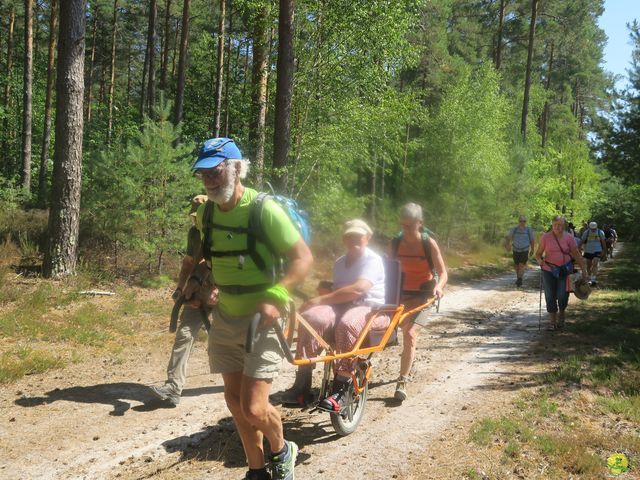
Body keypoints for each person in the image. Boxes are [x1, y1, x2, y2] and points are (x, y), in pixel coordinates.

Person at [187, 137, 313, 480]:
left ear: (236, 168)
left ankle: (282, 449)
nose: (209, 180)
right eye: (203, 174)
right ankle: (256, 471)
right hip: (226, 316)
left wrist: (276, 295)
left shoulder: (264, 210)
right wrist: (201, 285)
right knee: (234, 402)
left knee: (254, 407)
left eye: (215, 172)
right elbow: (208, 257)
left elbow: (303, 258)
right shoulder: (205, 213)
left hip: (263, 318)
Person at [282, 219, 388, 412]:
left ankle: (342, 388)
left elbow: (358, 289)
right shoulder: (340, 262)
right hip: (342, 305)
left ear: (368, 237)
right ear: (344, 238)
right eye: (349, 236)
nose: (353, 240)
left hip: (370, 307)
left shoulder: (373, 260)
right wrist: (323, 296)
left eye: (358, 236)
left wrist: (320, 299)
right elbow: (340, 291)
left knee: (348, 323)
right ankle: (302, 385)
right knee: (312, 318)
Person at [150, 194, 215, 406]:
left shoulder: (220, 234)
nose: (196, 220)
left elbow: (212, 264)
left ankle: (248, 381)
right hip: (198, 289)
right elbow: (189, 262)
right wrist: (180, 288)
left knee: (232, 339)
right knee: (184, 335)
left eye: (200, 216)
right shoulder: (194, 233)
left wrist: (208, 291)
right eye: (194, 216)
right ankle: (173, 387)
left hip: (221, 290)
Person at [388, 203, 447, 401]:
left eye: (410, 226)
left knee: (410, 334)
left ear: (420, 224)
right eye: (403, 225)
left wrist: (439, 287)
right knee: (379, 332)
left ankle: (402, 381)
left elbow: (443, 272)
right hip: (400, 296)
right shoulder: (395, 243)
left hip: (423, 296)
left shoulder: (428, 243)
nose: (406, 230)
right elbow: (389, 272)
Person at [535, 215, 588, 330]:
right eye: (555, 225)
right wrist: (540, 261)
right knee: (550, 296)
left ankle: (562, 313)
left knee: (562, 295)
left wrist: (584, 270)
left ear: (564, 225)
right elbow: (538, 253)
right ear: (552, 225)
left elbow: (577, 255)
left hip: (565, 270)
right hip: (549, 270)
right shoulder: (546, 237)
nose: (557, 227)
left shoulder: (569, 238)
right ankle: (552, 323)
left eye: (560, 225)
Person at [504, 215, 535, 287]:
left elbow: (532, 240)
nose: (522, 223)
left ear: (526, 222)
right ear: (519, 221)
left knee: (521, 265)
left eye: (524, 221)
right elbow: (508, 237)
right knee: (516, 266)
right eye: (521, 221)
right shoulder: (514, 229)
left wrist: (532, 250)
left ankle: (520, 279)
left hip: (525, 249)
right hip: (515, 249)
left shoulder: (528, 230)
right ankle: (518, 278)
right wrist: (507, 245)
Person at [580, 221, 607, 286]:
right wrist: (578, 249)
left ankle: (593, 279)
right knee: (588, 266)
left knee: (595, 263)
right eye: (592, 229)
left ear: (596, 227)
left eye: (594, 229)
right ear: (589, 228)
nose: (593, 230)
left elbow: (603, 242)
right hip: (588, 251)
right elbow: (582, 241)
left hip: (597, 250)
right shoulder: (586, 232)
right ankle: (589, 278)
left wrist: (604, 251)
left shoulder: (600, 232)